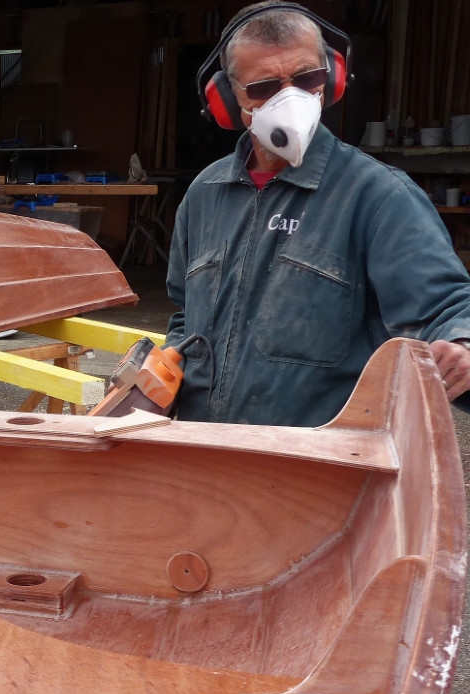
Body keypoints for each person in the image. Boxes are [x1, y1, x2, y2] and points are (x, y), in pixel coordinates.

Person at [166, 1, 470, 427]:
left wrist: (462, 344)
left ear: (332, 78)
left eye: (306, 78)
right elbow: (185, 315)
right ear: (229, 99)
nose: (289, 99)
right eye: (264, 87)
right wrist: (163, 369)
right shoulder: (204, 194)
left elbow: (446, 305)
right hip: (208, 455)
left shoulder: (377, 195)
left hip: (321, 466)